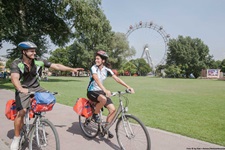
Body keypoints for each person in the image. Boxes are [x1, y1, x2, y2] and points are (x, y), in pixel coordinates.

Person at [10, 41, 83, 150]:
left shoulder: (39, 61)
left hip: (36, 87)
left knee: (48, 99)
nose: (34, 53)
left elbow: (56, 66)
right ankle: (16, 138)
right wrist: (20, 88)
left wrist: (71, 69)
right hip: (23, 88)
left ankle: (39, 120)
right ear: (24, 52)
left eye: (34, 51)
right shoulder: (16, 63)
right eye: (31, 51)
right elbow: (14, 78)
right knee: (22, 112)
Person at [87, 50, 134, 138]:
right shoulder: (94, 68)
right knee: (103, 99)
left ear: (103, 60)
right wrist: (105, 90)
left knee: (112, 110)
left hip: (101, 91)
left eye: (98, 59)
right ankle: (95, 114)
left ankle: (105, 129)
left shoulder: (106, 70)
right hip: (92, 91)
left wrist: (128, 86)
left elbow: (117, 79)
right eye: (96, 59)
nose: (96, 60)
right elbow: (96, 79)